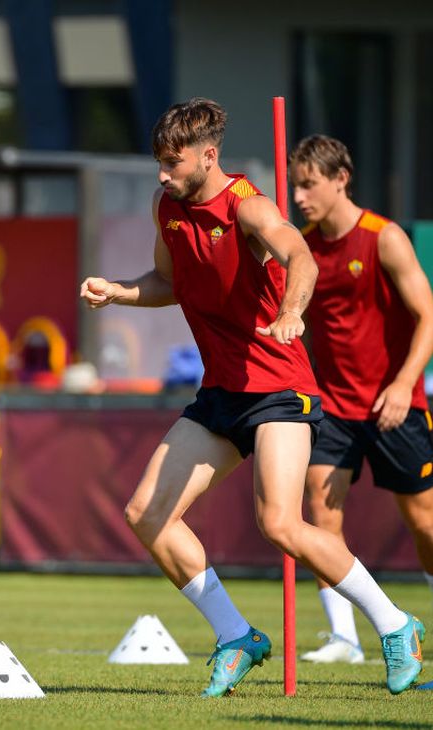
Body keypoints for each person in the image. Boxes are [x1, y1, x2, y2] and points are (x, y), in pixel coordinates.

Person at [79, 98, 424, 696]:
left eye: (172, 162)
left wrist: (292, 311)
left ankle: (396, 625)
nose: (161, 175)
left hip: (279, 389)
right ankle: (236, 635)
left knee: (280, 524)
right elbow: (168, 282)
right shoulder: (169, 207)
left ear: (207, 156)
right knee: (146, 515)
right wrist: (119, 291)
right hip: (220, 392)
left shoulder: (249, 206)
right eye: (158, 162)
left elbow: (301, 256)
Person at [289, 134, 433, 664]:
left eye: (309, 184)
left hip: (395, 406)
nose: (300, 196)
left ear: (340, 179)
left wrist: (403, 383)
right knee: (318, 515)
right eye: (295, 186)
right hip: (332, 409)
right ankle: (344, 639)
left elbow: (429, 316)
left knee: (426, 523)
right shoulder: (301, 248)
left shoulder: (384, 237)